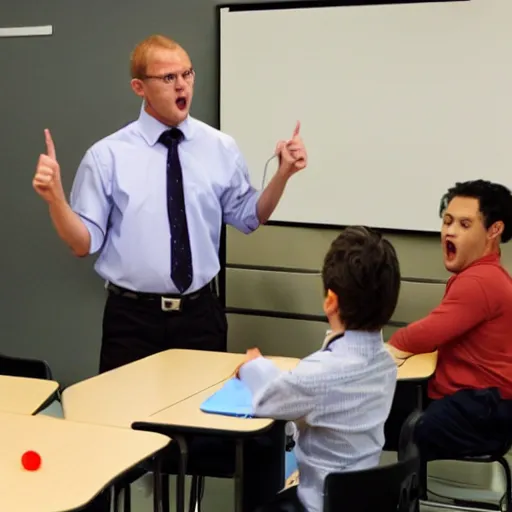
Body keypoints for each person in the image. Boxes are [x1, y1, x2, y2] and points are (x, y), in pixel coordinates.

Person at [32, 34, 307, 374]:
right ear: (139, 86)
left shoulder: (219, 147)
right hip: (133, 319)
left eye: (187, 74)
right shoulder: (107, 156)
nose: (182, 86)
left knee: (201, 420)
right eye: (168, 78)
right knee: (126, 421)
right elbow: (81, 243)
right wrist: (56, 199)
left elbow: (251, 217)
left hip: (201, 314)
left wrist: (282, 175)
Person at [236, 226, 402, 512]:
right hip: (361, 503)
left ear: (331, 301)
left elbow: (267, 399)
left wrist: (254, 366)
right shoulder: (386, 365)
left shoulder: (320, 373)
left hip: (316, 505)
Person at [387, 180, 512, 462]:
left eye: (464, 225)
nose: (450, 232)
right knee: (385, 410)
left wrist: (380, 353)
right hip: (475, 402)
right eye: (447, 221)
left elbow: (420, 336)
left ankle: (401, 502)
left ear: (494, 230)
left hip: (484, 409)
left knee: (408, 427)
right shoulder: (478, 276)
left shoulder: (482, 281)